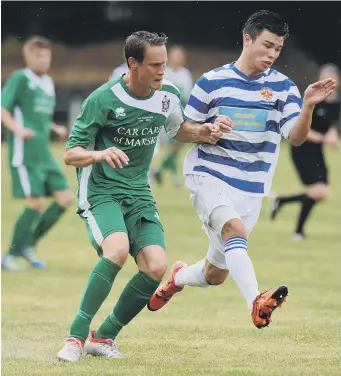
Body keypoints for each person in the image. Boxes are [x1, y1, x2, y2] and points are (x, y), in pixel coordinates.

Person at [148, 11, 337, 329]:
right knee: (233, 230)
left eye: (278, 49)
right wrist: (208, 128)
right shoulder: (211, 82)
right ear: (247, 39)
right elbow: (181, 130)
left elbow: (296, 136)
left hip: (251, 187)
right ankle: (256, 302)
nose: (272, 54)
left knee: (215, 274)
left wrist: (306, 107)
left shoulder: (284, 88)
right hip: (208, 174)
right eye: (266, 45)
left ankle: (177, 278)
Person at [57, 31, 231, 362]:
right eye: (154, 65)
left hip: (138, 191)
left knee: (156, 266)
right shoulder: (102, 99)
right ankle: (76, 337)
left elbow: (179, 130)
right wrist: (99, 154)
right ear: (132, 63)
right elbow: (71, 153)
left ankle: (104, 336)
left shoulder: (167, 95)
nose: (162, 71)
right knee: (118, 250)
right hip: (101, 190)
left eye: (164, 64)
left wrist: (207, 131)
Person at [1, 36, 74, 271]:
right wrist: (17, 130)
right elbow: (4, 108)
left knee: (65, 198)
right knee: (35, 202)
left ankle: (28, 245)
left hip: (44, 153)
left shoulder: (48, 82)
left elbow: (39, 114)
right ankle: (10, 255)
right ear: (28, 56)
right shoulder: (21, 79)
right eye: (38, 55)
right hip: (25, 153)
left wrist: (55, 128)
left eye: (47, 56)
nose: (43, 60)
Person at [270, 64, 340, 240]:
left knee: (320, 192)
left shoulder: (336, 102)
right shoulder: (313, 100)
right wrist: (325, 139)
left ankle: (289, 214)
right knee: (319, 191)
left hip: (316, 151)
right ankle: (297, 230)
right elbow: (301, 130)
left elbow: (330, 125)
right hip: (302, 149)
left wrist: (333, 138)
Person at [153, 45, 193, 187]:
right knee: (172, 147)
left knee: (176, 147)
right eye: (176, 55)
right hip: (163, 115)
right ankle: (173, 176)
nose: (178, 58)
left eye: (181, 56)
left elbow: (187, 96)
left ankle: (159, 170)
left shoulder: (185, 74)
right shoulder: (163, 72)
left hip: (180, 115)